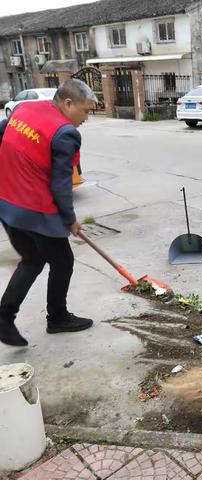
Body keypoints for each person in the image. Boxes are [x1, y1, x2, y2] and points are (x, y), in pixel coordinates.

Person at [0, 79, 97, 347]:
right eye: (86, 111)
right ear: (68, 104)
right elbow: (61, 183)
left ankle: (4, 317)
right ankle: (58, 318)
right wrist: (70, 221)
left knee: (32, 259)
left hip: (6, 204)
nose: (86, 119)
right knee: (63, 261)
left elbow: (2, 135)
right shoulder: (66, 133)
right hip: (35, 210)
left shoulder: (24, 109)